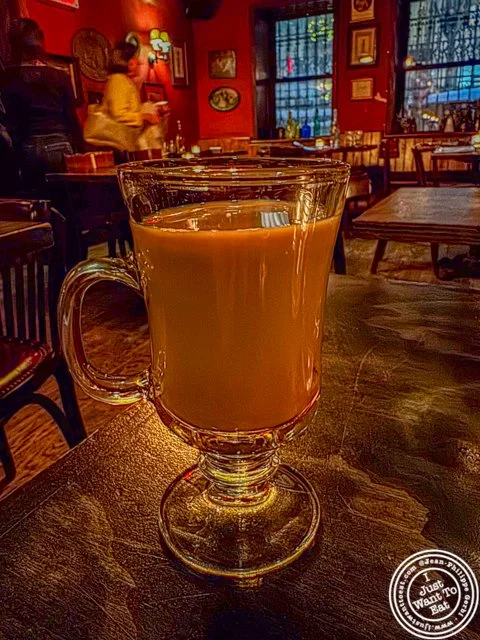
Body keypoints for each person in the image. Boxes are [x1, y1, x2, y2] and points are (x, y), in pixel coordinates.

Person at [0, 19, 83, 196]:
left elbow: (10, 120)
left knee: (38, 200)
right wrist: (81, 148)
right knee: (66, 199)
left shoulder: (8, 77)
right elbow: (71, 118)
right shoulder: (60, 76)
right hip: (59, 143)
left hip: (29, 144)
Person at [97, 42, 158, 153]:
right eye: (133, 58)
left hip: (125, 143)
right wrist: (145, 117)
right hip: (119, 144)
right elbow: (118, 114)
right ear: (126, 61)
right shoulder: (118, 80)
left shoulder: (124, 80)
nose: (137, 61)